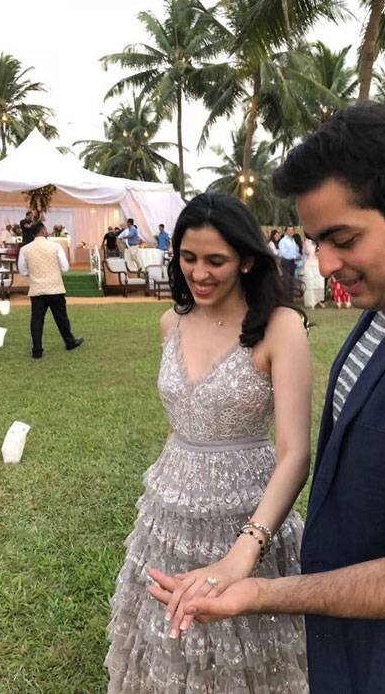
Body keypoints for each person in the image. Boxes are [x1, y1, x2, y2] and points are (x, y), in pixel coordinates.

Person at [149, 103, 385, 693]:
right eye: (316, 242)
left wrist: (260, 590)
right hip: (362, 644)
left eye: (343, 239)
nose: (324, 265)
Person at [106, 193, 311, 692]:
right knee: (171, 632)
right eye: (188, 257)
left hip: (249, 510)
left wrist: (247, 547)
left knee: (248, 639)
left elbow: (295, 453)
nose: (199, 273)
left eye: (216, 260)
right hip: (171, 512)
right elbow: (180, 417)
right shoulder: (171, 322)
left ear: (246, 260)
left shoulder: (280, 327)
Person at [18, 223, 83, 359]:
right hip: (55, 288)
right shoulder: (55, 246)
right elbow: (65, 268)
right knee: (61, 317)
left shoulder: (25, 249)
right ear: (43, 230)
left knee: (37, 320)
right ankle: (69, 342)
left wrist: (34, 272)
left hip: (37, 289)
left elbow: (22, 271)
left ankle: (37, 350)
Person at [278, 225, 300, 300]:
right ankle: (286, 299)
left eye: (292, 230)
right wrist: (294, 256)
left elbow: (296, 250)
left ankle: (290, 298)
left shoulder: (293, 240)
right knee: (286, 280)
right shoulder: (283, 241)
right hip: (286, 262)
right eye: (289, 230)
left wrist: (297, 255)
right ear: (286, 231)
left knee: (291, 280)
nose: (291, 231)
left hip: (292, 262)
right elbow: (283, 253)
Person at [302, 239, 324, 309]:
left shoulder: (319, 242)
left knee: (319, 283)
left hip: (317, 265)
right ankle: (312, 302)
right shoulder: (307, 242)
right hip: (309, 265)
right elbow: (307, 252)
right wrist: (306, 245)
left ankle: (319, 300)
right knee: (310, 284)